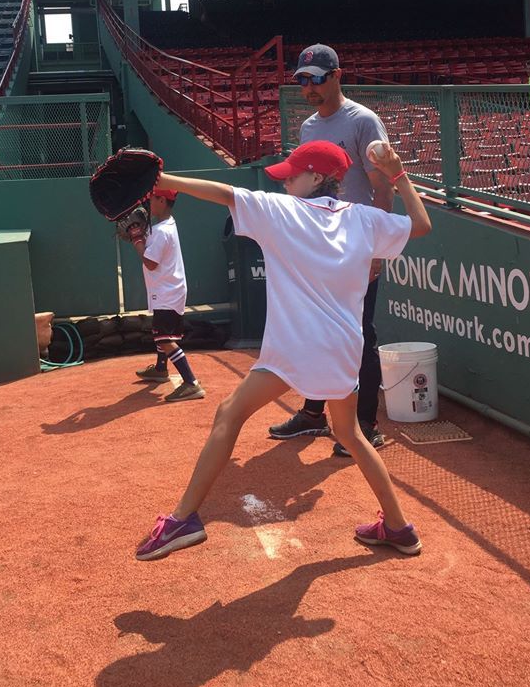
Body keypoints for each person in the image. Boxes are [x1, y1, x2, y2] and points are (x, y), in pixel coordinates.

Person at [135, 139, 431, 561]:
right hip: (345, 349)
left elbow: (222, 193)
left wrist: (162, 180)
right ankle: (400, 528)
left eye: (294, 173)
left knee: (229, 413)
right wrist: (399, 175)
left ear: (318, 177)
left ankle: (184, 519)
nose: (286, 178)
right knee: (348, 433)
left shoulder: (281, 211)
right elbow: (420, 225)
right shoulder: (365, 219)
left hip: (295, 347)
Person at [268, 43, 395, 457]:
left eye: (316, 80)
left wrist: (376, 250)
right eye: (302, 81)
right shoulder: (307, 128)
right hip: (318, 247)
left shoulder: (364, 121)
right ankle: (311, 414)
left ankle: (363, 425)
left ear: (337, 75)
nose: (308, 89)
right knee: (316, 331)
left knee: (360, 335)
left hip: (355, 248)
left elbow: (383, 187)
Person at [131, 189, 205, 402]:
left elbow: (150, 263)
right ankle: (161, 369)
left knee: (163, 339)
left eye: (152, 199)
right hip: (167, 289)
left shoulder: (163, 231)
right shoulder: (163, 226)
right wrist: (140, 235)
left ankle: (191, 383)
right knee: (160, 332)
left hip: (168, 291)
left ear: (162, 200)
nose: (148, 203)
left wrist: (136, 240)